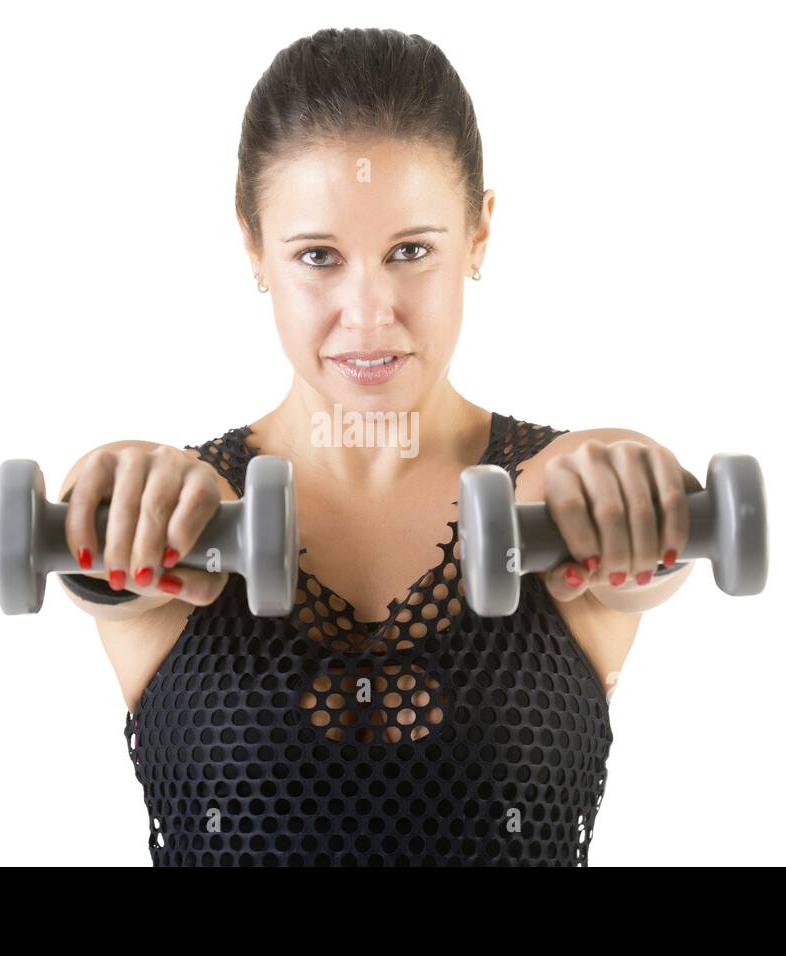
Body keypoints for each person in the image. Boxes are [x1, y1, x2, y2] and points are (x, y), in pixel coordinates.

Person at [57, 27, 700, 866]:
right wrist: (122, 486)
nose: (368, 313)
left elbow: (637, 522)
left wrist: (632, 480)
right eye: (318, 256)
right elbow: (97, 538)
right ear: (254, 245)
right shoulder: (181, 515)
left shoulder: (555, 498)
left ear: (478, 234)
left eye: (410, 252)